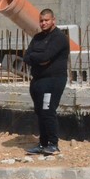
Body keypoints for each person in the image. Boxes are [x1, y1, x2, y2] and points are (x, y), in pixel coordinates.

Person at [23, 8, 70, 156]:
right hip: (37, 81)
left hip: (53, 81)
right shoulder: (37, 37)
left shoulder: (59, 38)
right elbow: (26, 56)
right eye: (41, 21)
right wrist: (39, 58)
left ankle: (53, 144)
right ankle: (42, 144)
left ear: (53, 20)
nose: (43, 23)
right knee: (40, 112)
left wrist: (37, 57)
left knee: (48, 111)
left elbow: (45, 57)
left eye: (46, 20)